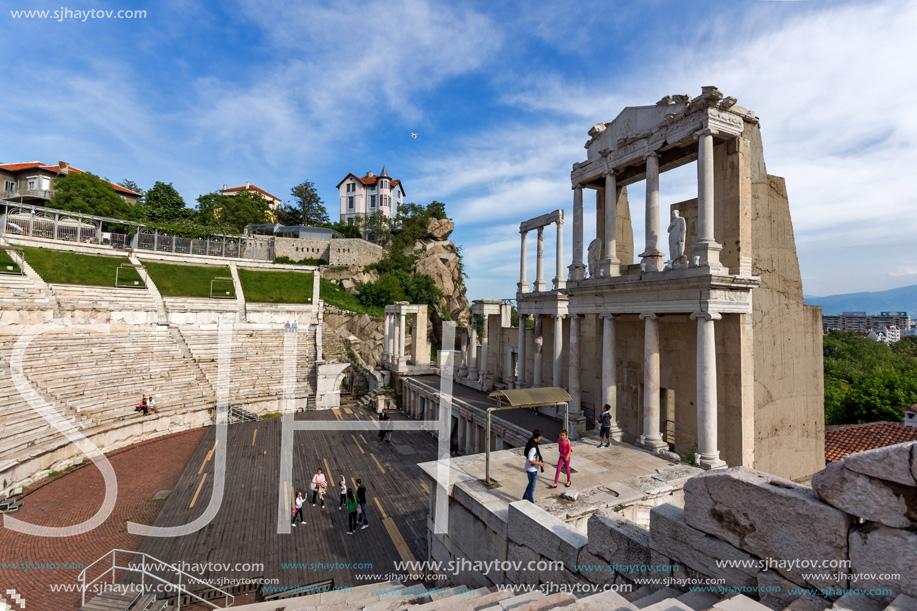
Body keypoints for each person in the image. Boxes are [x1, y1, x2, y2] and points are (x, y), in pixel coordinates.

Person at [522, 429, 544, 503]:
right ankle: (531, 501)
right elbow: (530, 460)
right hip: (532, 469)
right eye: (540, 436)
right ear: (538, 437)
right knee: (532, 487)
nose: (541, 437)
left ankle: (525, 496)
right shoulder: (533, 447)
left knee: (530, 483)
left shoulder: (531, 441)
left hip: (529, 468)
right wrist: (540, 463)